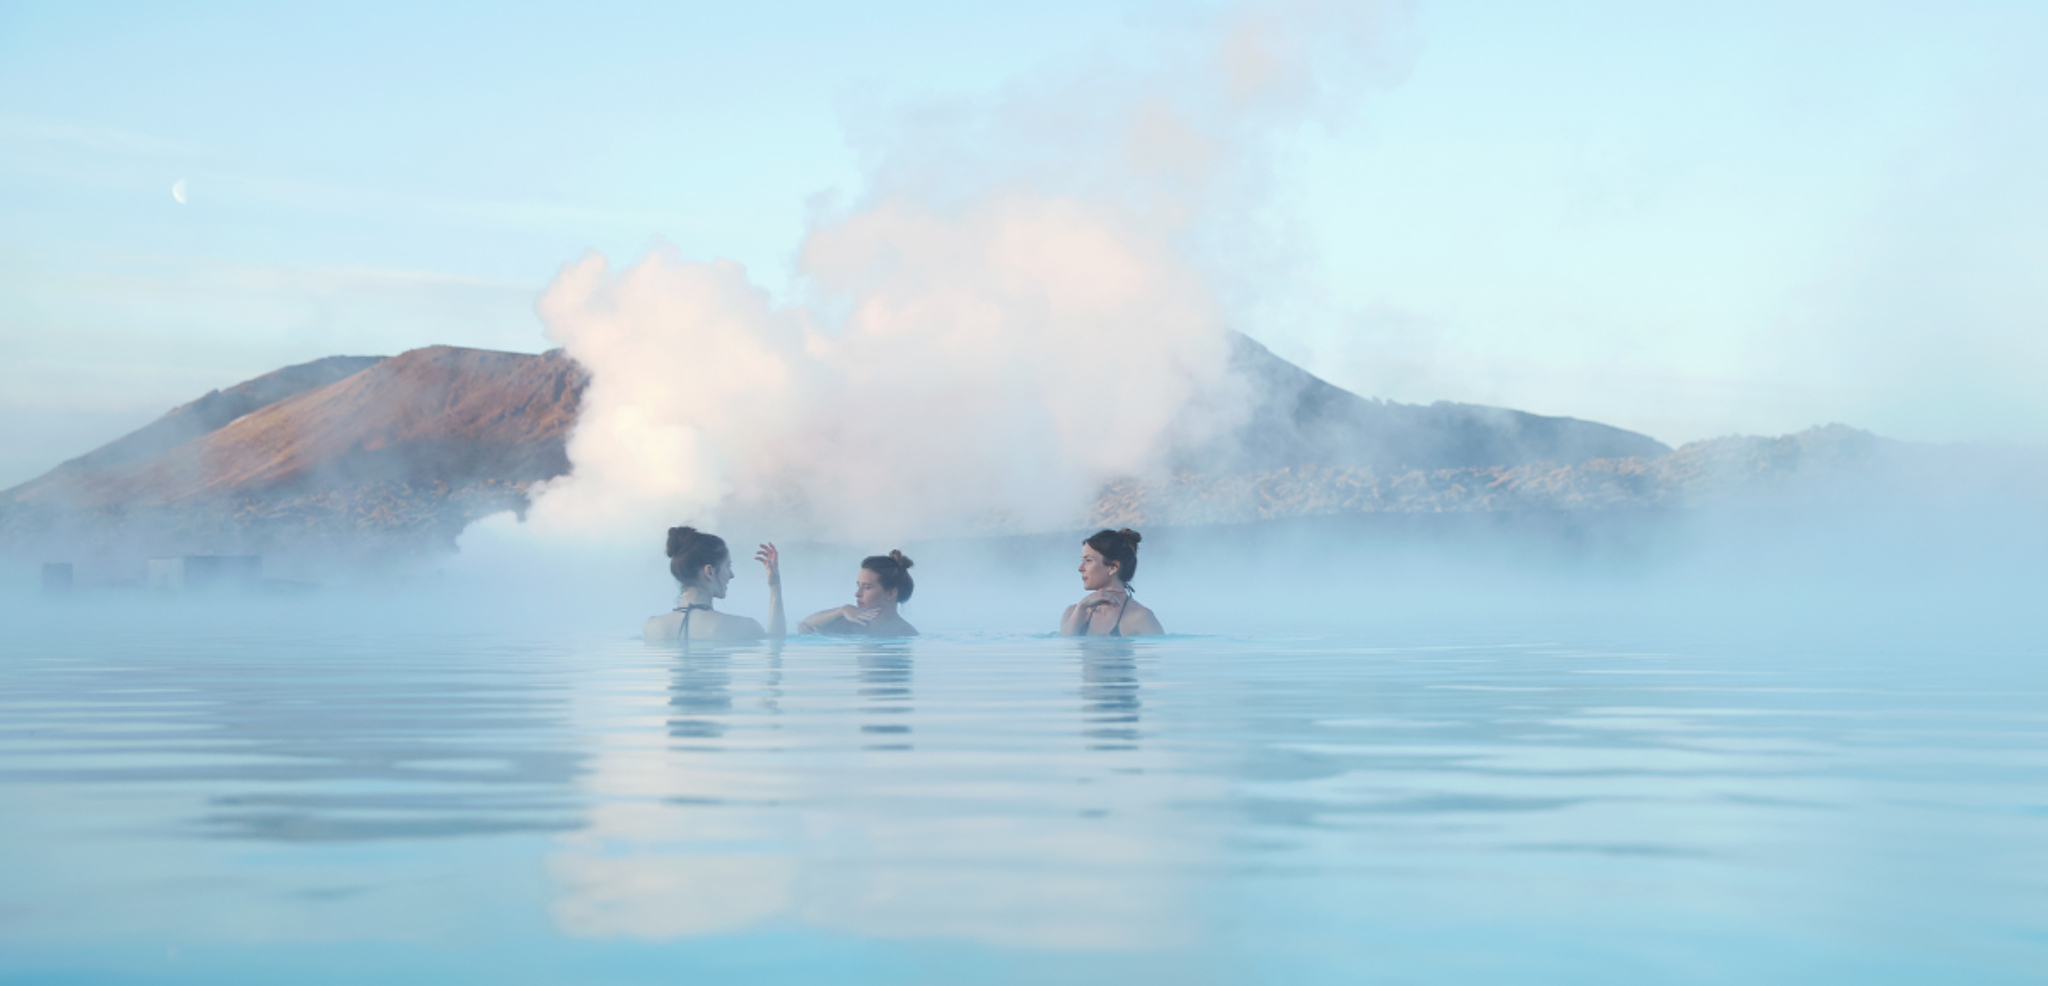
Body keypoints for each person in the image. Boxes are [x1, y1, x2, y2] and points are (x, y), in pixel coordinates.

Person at [643, 526, 786, 642]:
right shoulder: (741, 628)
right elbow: (776, 646)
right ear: (709, 571)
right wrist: (775, 587)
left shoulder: (651, 627)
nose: (731, 575)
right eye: (728, 566)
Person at [1060, 528, 1163, 636]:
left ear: (1113, 567)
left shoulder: (1140, 618)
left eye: (1088, 561)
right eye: (1082, 561)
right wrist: (1081, 607)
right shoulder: (1073, 613)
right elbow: (1064, 647)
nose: (1080, 568)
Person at [797, 550, 920, 637]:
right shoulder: (853, 623)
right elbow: (805, 624)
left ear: (891, 594)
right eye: (858, 586)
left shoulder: (905, 634)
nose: (857, 594)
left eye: (867, 587)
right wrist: (841, 610)